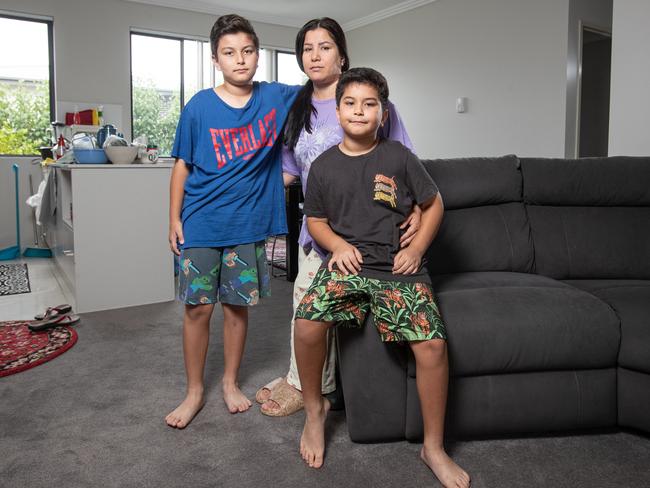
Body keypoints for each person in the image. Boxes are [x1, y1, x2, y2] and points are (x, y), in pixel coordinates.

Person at [293, 68, 471, 488]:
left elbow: (434, 205)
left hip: (398, 269)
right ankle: (314, 412)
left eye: (369, 104)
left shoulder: (400, 158)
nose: (359, 111)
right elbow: (316, 221)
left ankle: (434, 446)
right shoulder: (322, 167)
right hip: (348, 266)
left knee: (431, 345)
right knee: (306, 323)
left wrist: (415, 248)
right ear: (337, 112)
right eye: (350, 103)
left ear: (384, 113)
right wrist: (336, 245)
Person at [256, 17, 418, 417]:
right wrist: (244, 188)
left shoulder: (373, 104)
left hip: (368, 227)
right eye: (307, 48)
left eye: (324, 46)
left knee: (315, 306)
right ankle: (303, 379)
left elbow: (404, 161)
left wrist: (414, 206)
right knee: (304, 304)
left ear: (342, 55)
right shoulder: (297, 107)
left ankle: (312, 388)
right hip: (322, 225)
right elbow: (291, 170)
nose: (315, 55)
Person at [165, 14, 301, 428]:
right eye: (229, 53)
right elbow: (182, 166)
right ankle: (193, 392)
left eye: (247, 51)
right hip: (202, 222)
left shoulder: (276, 97)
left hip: (247, 225)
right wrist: (173, 217)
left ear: (257, 55)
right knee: (197, 310)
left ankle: (228, 382)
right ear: (215, 60)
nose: (239, 60)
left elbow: (325, 90)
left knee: (237, 309)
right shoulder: (199, 107)